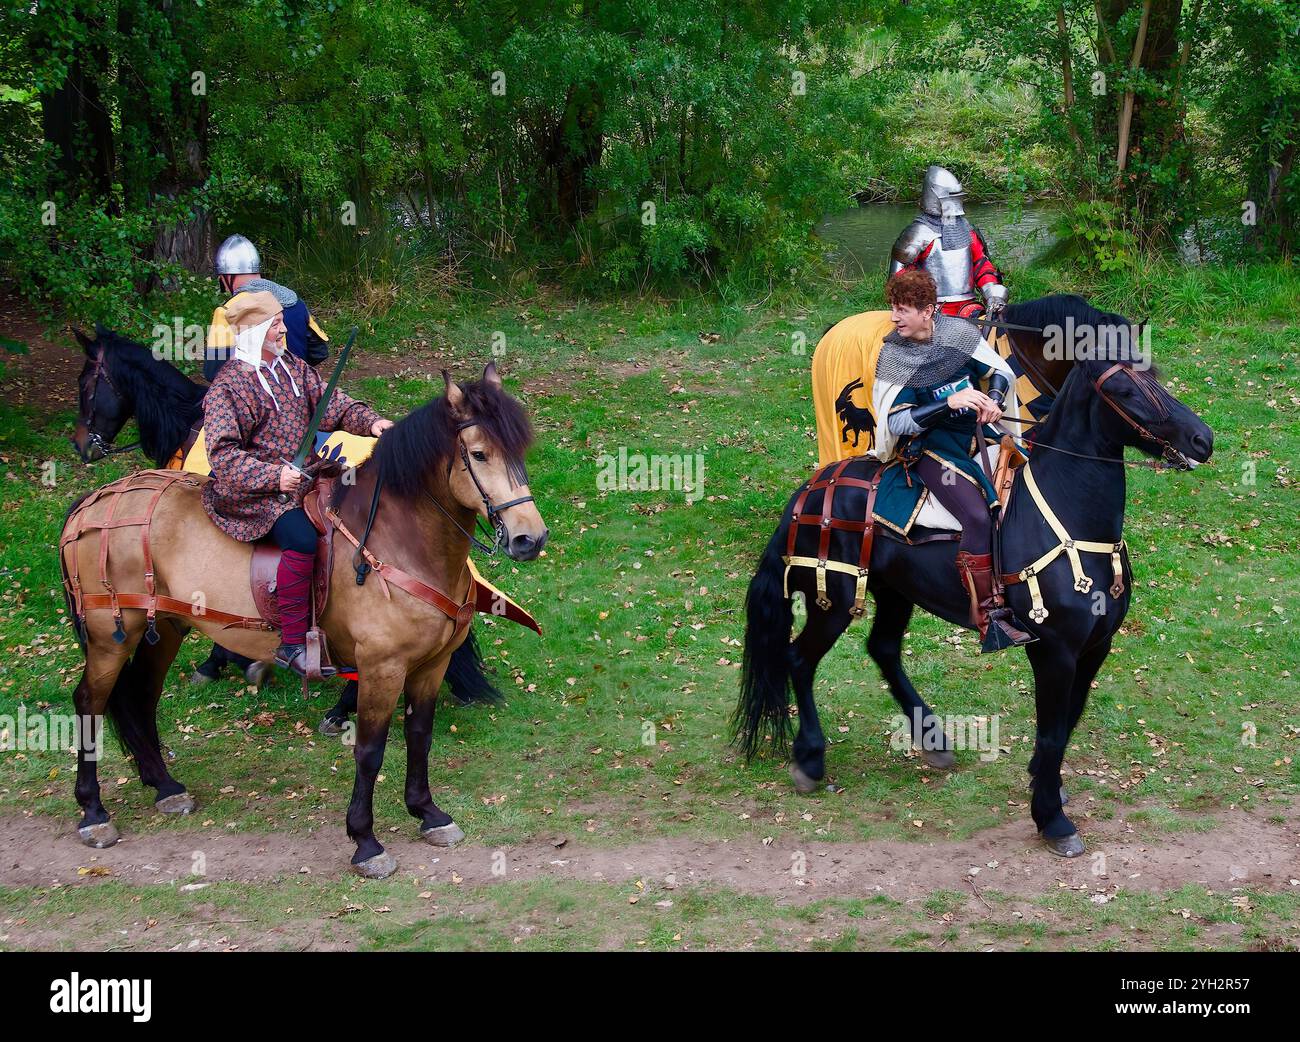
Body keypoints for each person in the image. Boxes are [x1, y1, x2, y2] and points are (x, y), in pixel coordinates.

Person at [200, 290, 394, 676]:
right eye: (273, 325)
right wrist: (275, 476)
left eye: (280, 323)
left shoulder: (292, 366)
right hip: (256, 492)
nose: (282, 330)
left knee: (357, 505)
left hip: (305, 476)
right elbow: (222, 456)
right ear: (252, 332)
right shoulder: (227, 388)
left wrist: (371, 422)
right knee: (303, 538)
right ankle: (292, 642)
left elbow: (331, 403)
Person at [875, 269, 1034, 651]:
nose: (894, 318)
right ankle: (989, 615)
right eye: (893, 309)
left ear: (928, 311)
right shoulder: (895, 354)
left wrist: (993, 400)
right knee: (978, 515)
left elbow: (997, 371)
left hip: (979, 435)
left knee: (1031, 478)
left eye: (902, 310)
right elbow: (895, 421)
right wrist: (948, 402)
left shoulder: (957, 335)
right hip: (931, 447)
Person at [205, 234, 330, 382]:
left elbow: (213, 372)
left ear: (226, 278)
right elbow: (319, 352)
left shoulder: (227, 311)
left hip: (260, 400)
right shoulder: (294, 301)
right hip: (300, 392)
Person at [888, 166, 1008, 319]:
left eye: (956, 195)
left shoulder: (967, 230)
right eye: (950, 195)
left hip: (968, 307)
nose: (954, 200)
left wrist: (993, 295)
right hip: (930, 309)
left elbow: (981, 266)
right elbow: (898, 279)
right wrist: (921, 304)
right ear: (934, 196)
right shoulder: (917, 234)